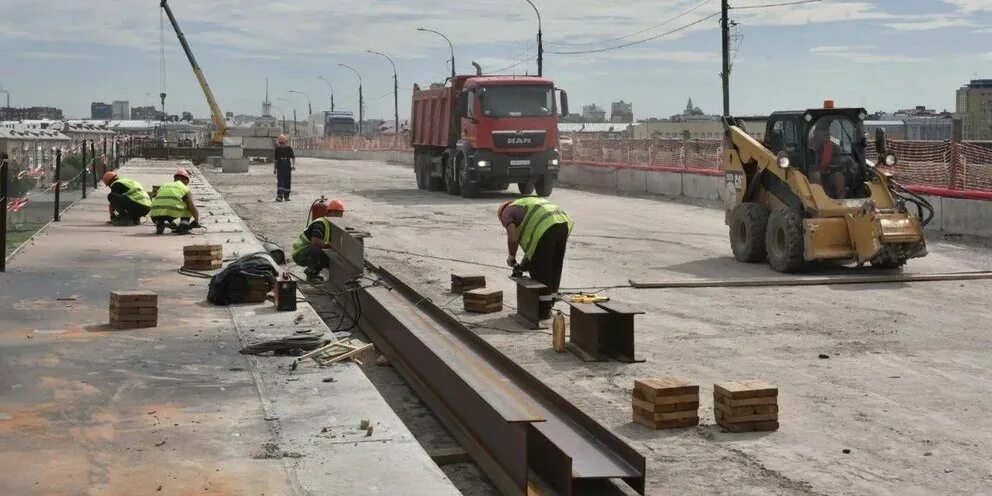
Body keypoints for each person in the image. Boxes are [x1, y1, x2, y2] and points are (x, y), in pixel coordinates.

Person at [498, 198, 573, 316]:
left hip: (546, 227)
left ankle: (543, 309)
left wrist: (511, 257)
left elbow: (513, 238)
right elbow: (533, 248)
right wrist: (522, 265)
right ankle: (550, 302)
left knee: (540, 269)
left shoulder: (506, 212)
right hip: (562, 223)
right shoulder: (526, 204)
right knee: (554, 266)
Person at [292, 199, 345, 282]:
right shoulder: (320, 224)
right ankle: (312, 275)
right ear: (329, 213)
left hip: (308, 252)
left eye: (340, 214)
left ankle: (332, 277)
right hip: (300, 253)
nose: (338, 216)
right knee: (316, 249)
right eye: (337, 213)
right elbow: (315, 242)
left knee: (330, 255)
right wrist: (331, 245)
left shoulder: (332, 226)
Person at [149, 168, 200, 235]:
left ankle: (161, 223)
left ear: (174, 179)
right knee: (188, 206)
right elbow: (193, 207)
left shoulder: (164, 185)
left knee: (165, 205)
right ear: (186, 180)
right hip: (171, 212)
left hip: (154, 214)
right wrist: (196, 221)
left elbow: (158, 200)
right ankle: (183, 227)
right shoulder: (185, 189)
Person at [274, 134, 296, 202]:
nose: (281, 144)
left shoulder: (289, 149)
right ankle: (280, 196)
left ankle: (286, 196)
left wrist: (293, 165)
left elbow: (293, 157)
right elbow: (275, 160)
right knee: (280, 182)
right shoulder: (277, 149)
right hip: (280, 168)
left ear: (286, 141)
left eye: (282, 143)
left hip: (287, 168)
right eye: (280, 143)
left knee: (287, 182)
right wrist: (274, 169)